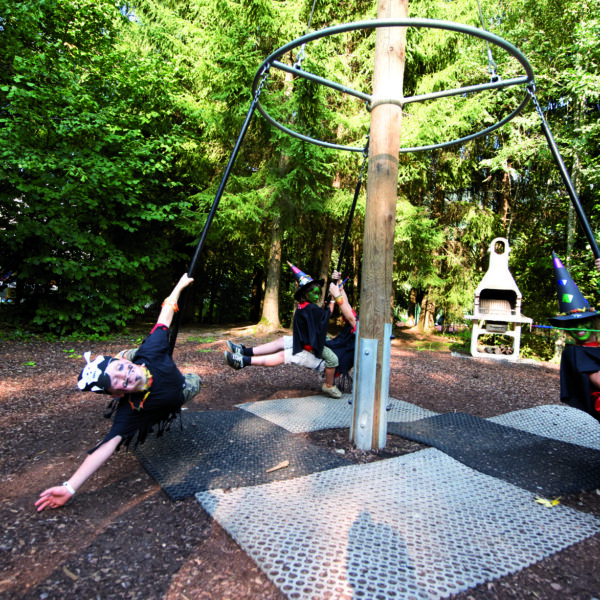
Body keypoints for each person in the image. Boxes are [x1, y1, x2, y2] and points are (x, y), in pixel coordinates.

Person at [35, 274, 202, 512]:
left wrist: (179, 285)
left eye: (121, 370)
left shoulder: (152, 351)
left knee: (147, 352)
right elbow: (105, 446)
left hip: (152, 363)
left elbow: (166, 314)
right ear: (117, 396)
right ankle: (117, 364)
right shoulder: (131, 409)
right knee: (194, 380)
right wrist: (70, 487)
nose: (126, 376)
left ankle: (124, 355)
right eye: (118, 382)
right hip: (175, 395)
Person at [224, 266, 356, 398]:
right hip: (314, 342)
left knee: (285, 355)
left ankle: (244, 360)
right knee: (282, 341)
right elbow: (345, 308)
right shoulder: (310, 307)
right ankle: (245, 352)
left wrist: (334, 297)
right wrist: (338, 286)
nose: (317, 296)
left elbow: (345, 314)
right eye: (314, 293)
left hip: (324, 359)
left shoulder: (358, 326)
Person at [549, 253, 600, 422]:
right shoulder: (577, 353)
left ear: (594, 322)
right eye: (573, 324)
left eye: (583, 322)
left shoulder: (596, 347)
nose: (579, 328)